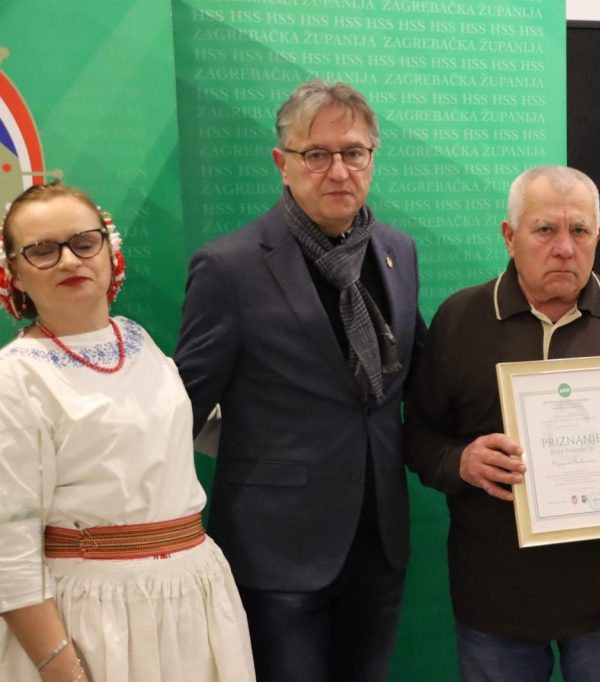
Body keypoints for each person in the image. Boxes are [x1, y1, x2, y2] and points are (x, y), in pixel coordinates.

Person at [175, 80, 425, 682]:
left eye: (354, 152)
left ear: (372, 158)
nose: (338, 170)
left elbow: (421, 373)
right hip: (276, 553)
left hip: (379, 542)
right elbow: (183, 409)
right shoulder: (229, 267)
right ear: (281, 162)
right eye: (316, 154)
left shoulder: (397, 250)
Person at [404, 165, 600, 682]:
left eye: (579, 230)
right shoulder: (460, 319)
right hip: (496, 601)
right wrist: (461, 462)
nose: (564, 248)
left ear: (598, 235)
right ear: (509, 236)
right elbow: (417, 438)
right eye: (544, 230)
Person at [0, 182, 255, 682]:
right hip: (94, 618)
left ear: (109, 251)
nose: (69, 261)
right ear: (16, 274)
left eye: (83, 243)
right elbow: (9, 546)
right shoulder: (16, 378)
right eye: (43, 251)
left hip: (193, 597)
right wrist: (61, 667)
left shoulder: (136, 339)